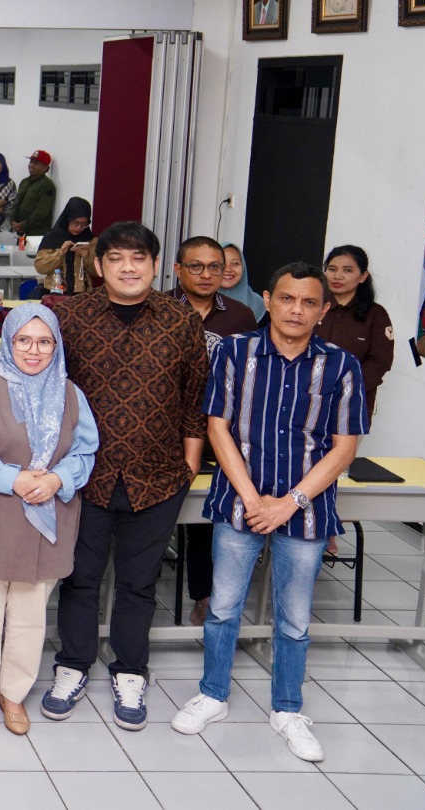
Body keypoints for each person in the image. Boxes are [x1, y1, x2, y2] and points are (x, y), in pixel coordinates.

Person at [170, 262, 368, 764]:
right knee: (222, 607)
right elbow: (218, 428)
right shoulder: (235, 353)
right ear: (267, 300)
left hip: (305, 511)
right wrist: (255, 498)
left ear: (323, 310)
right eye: (286, 299)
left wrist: (290, 502)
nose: (296, 310)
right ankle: (213, 695)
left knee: (295, 618)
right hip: (240, 504)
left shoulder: (343, 365)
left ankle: (287, 709)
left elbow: (344, 448)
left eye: (308, 302)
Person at [41, 222, 207, 731]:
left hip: (158, 476)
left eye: (139, 258)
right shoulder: (67, 317)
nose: (129, 267)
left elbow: (196, 395)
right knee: (80, 578)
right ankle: (72, 665)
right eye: (116, 259)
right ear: (99, 266)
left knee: (139, 583)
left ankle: (131, 670)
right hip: (83, 474)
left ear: (156, 267)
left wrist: (189, 462)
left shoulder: (181, 323)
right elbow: (43, 388)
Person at [0, 305, 98, 736]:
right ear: (8, 342)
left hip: (50, 514)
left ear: (57, 346)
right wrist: (13, 480)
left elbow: (85, 452)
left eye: (44, 342)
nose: (34, 351)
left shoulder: (72, 394)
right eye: (24, 340)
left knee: (31, 614)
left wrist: (57, 479)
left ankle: (12, 692)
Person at [169, 235, 260, 625]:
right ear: (178, 269)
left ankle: (204, 595)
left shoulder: (241, 316)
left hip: (219, 430)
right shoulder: (158, 308)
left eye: (214, 267)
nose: (206, 275)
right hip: (164, 429)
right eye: (196, 266)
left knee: (206, 514)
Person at [317, 244, 395, 412]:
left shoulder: (376, 315)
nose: (338, 276)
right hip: (306, 397)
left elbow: (380, 362)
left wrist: (344, 389)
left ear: (362, 276)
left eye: (347, 270)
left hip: (351, 405)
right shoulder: (312, 306)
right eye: (332, 269)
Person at [33, 197, 96, 295]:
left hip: (82, 294)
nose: (79, 227)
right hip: (54, 292)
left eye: (84, 224)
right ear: (68, 218)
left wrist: (87, 256)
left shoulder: (91, 240)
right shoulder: (52, 237)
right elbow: (40, 268)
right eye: (76, 223)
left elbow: (98, 271)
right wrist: (60, 253)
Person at [10, 150, 57, 237]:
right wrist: (12, 221)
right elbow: (16, 204)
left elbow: (41, 213)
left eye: (36, 163)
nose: (31, 165)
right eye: (31, 161)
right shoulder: (24, 182)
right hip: (21, 233)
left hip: (36, 234)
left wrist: (23, 225)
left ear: (45, 167)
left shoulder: (47, 186)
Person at [220, 243, 265, 321]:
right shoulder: (200, 300)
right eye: (222, 264)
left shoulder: (258, 304)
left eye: (235, 264)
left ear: (243, 266)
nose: (228, 269)